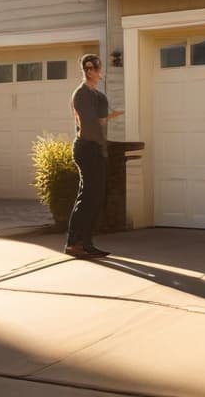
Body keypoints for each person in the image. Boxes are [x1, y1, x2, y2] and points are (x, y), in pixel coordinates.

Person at [64, 54, 123, 258]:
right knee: (87, 197)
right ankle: (74, 243)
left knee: (95, 198)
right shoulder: (81, 94)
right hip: (86, 148)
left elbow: (100, 121)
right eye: (91, 68)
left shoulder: (98, 96)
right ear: (87, 71)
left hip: (97, 149)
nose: (95, 72)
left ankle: (87, 243)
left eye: (96, 68)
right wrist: (106, 118)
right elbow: (90, 125)